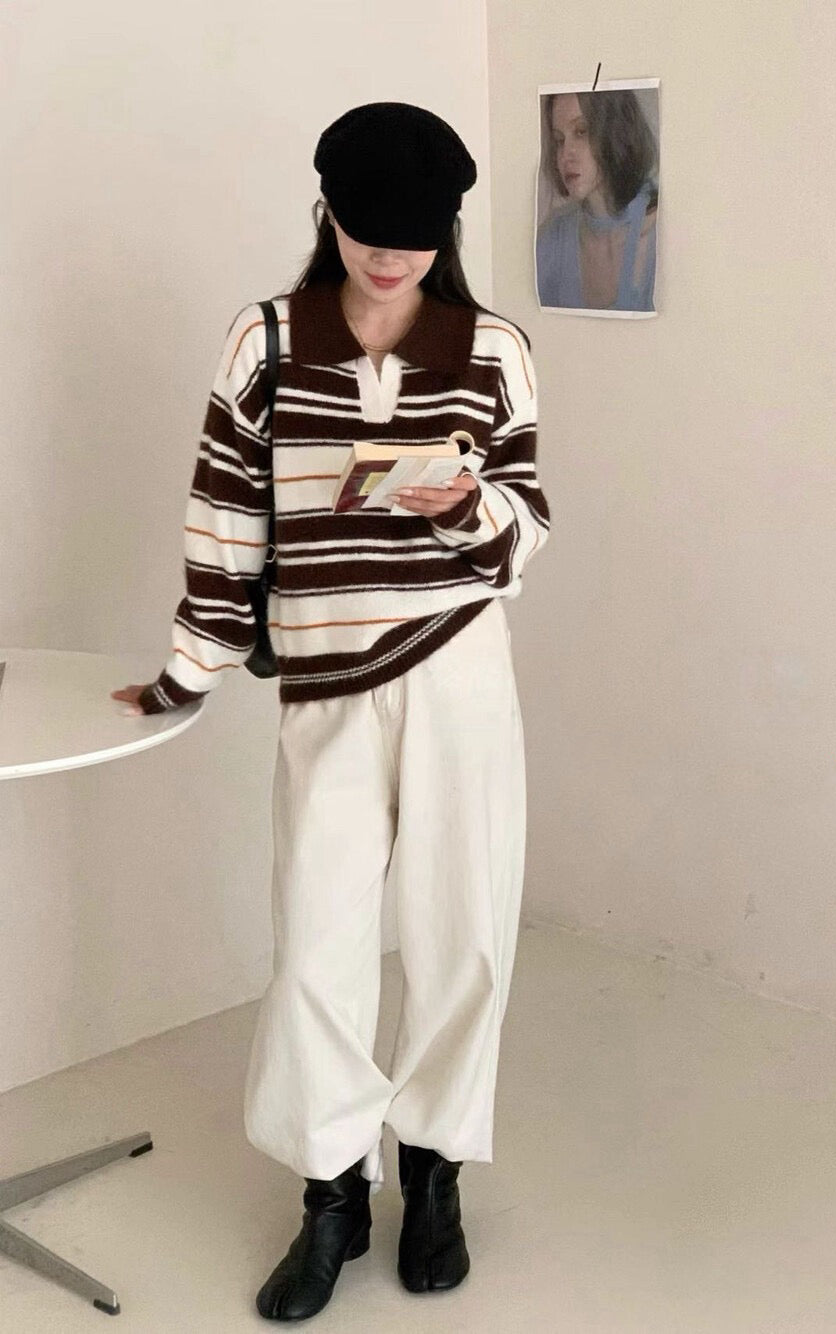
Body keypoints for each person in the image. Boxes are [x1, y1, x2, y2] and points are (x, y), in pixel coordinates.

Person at [111, 101, 550, 1322]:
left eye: (415, 237)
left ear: (446, 231)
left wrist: (464, 510)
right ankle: (332, 1193)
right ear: (328, 214)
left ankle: (435, 1172)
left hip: (459, 666)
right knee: (317, 946)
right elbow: (224, 516)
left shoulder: (494, 348)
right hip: (326, 678)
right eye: (366, 232)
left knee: (463, 934)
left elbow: (525, 528)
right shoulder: (263, 340)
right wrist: (188, 668)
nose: (388, 257)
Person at [536, 89, 658, 311]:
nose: (566, 154)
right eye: (559, 140)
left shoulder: (661, 231)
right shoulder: (553, 241)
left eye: (581, 132)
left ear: (616, 131)